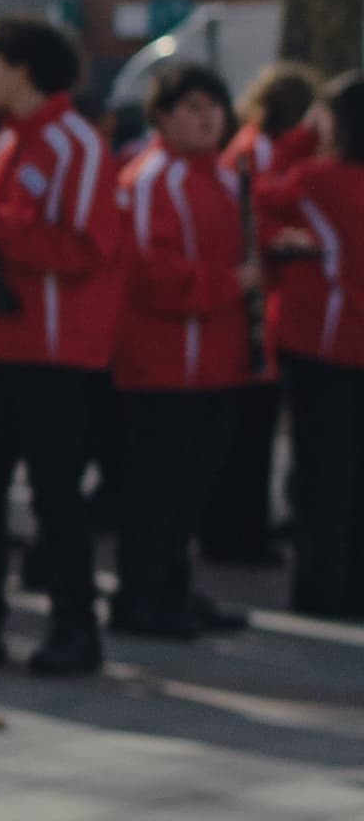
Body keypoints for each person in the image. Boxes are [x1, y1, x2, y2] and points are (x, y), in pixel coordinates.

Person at [0, 15, 120, 675]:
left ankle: (75, 625)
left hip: (49, 351)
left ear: (22, 70)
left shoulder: (76, 145)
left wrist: (0, 226)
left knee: (55, 496)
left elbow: (87, 249)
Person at [108, 63, 256, 638]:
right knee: (154, 491)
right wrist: (229, 285)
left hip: (214, 363)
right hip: (162, 364)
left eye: (214, 108)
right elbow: (153, 274)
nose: (207, 119)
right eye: (192, 108)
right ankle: (140, 596)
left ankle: (174, 587)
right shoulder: (150, 179)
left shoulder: (221, 178)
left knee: (190, 489)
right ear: (163, 116)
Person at [206, 62, 321, 567]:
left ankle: (241, 527)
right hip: (253, 307)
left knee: (249, 432)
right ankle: (238, 532)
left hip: (257, 305)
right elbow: (254, 215)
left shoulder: (253, 145)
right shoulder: (258, 151)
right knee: (247, 433)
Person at [262, 74, 364, 618]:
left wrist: (301, 135)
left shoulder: (318, 179)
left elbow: (255, 189)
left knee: (322, 477)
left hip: (327, 345)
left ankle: (321, 593)